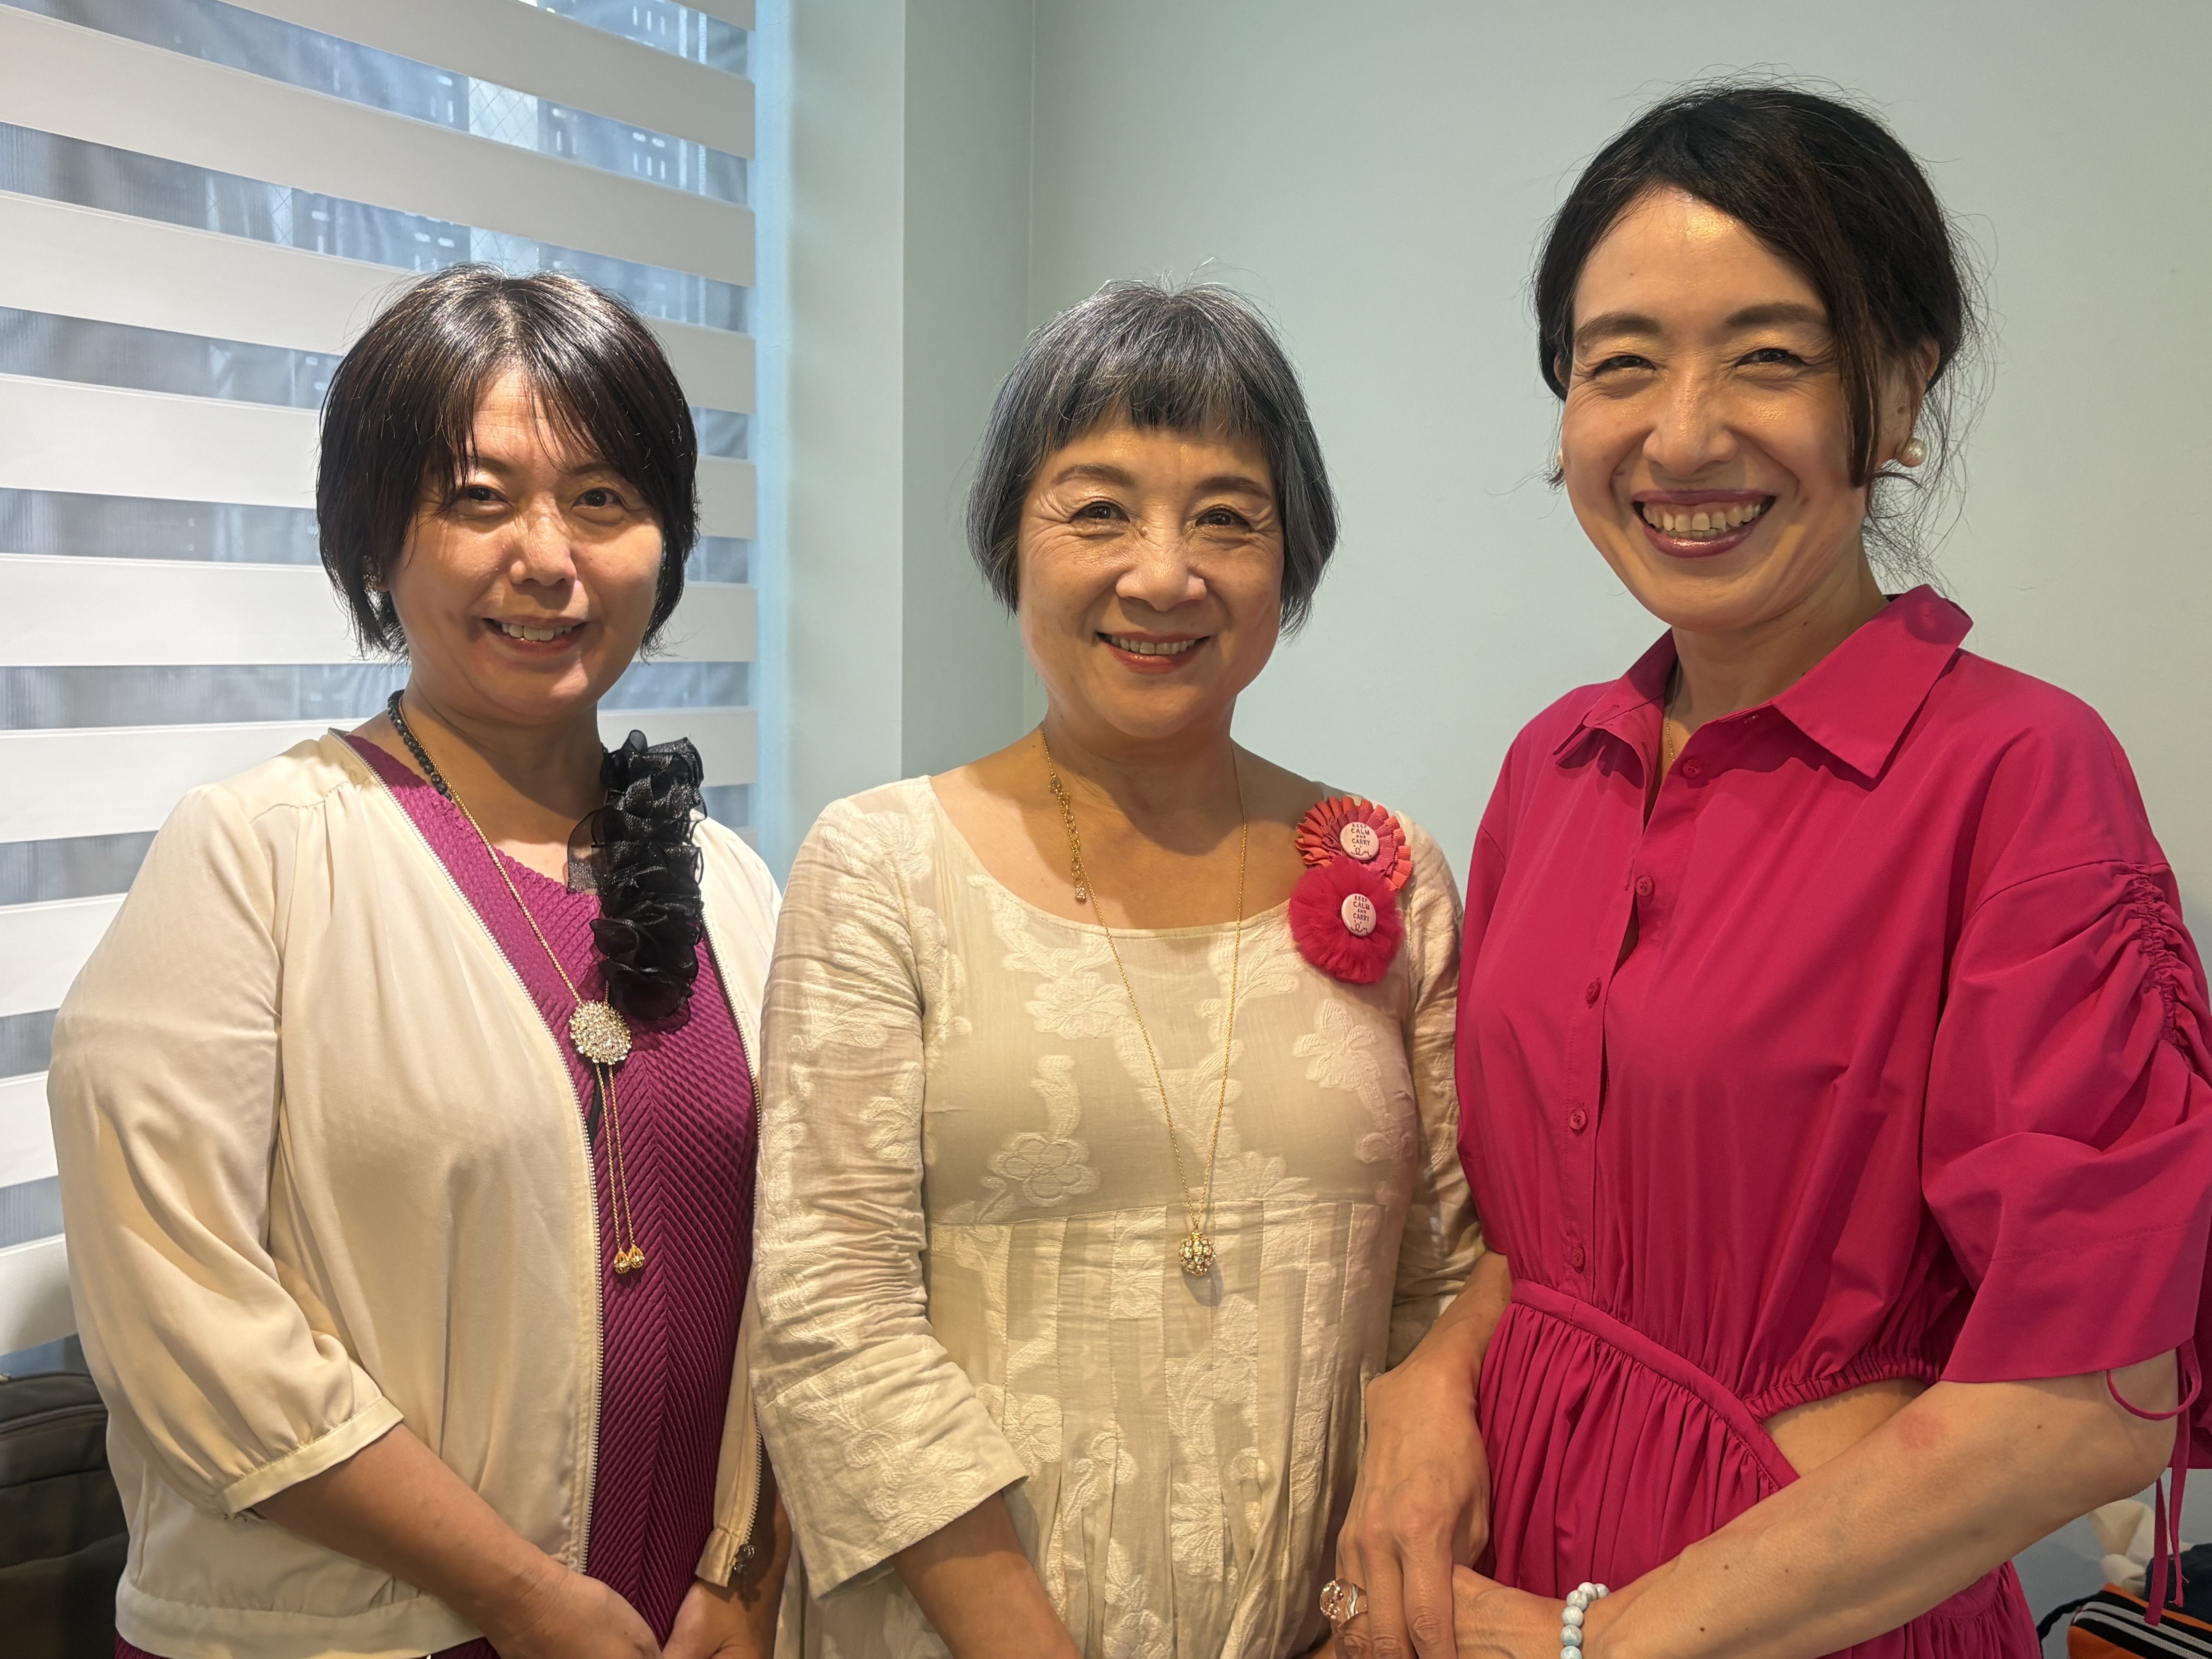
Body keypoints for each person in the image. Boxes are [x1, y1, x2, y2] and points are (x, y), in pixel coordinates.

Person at [1326, 83, 2212, 1659]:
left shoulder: (2018, 778)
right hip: (1507, 1580)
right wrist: (1430, 1384)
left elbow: (2089, 1398)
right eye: (1620, 365)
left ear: (1900, 390)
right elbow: (1550, 1240)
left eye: (1771, 357)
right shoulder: (1555, 766)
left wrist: (1597, 1644)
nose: (1682, 435)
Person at [48, 266, 791, 1659]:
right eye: (477, 497)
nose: (548, 557)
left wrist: (750, 1571)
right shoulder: (255, 856)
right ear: (376, 538)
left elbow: (806, 1272)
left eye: (603, 499)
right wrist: (519, 1594)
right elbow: (180, 1307)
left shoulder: (733, 884)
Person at [748, 281, 1484, 1656]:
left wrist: (1362, 1617)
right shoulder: (881, 864)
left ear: (1291, 556)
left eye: (1228, 517)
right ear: (1009, 540)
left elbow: (1441, 1289)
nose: (1164, 574)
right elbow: (829, 1316)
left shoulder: (1391, 873)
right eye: (1099, 511)